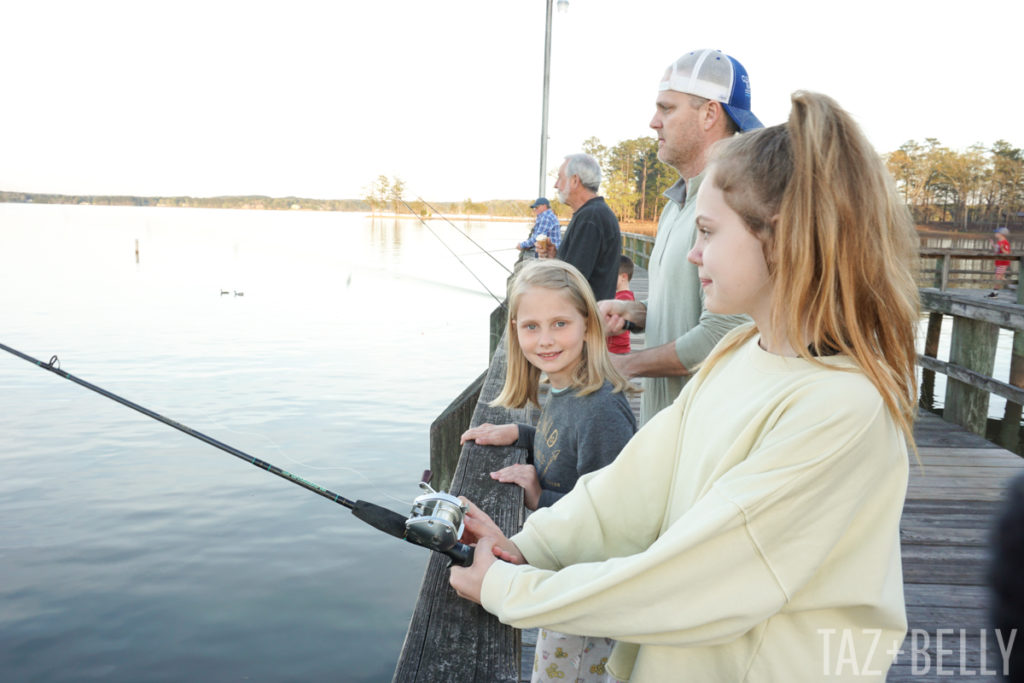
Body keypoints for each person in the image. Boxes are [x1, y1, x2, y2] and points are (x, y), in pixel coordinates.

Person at [450, 91, 919, 681]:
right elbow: (637, 482)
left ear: (782, 237)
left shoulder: (840, 406)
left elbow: (702, 576)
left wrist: (513, 589)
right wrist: (531, 545)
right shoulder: (739, 349)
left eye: (708, 231)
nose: (693, 253)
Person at [460, 258, 637, 682]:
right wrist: (520, 433)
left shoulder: (600, 411)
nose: (545, 340)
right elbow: (560, 442)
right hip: (561, 572)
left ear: (588, 326)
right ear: (515, 329)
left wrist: (540, 497)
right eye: (531, 326)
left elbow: (613, 519)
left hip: (588, 597)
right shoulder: (565, 388)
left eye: (560, 323)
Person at [598, 49, 761, 425]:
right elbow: (695, 307)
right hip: (664, 430)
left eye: (667, 108)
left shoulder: (738, 202)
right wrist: (638, 313)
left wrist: (624, 364)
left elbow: (725, 332)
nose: (653, 122)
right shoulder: (676, 202)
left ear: (709, 114)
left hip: (707, 437)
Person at [554, 154, 622, 301]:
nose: (556, 185)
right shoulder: (593, 213)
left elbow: (571, 281)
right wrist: (553, 256)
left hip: (587, 317)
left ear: (575, 180)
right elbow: (575, 268)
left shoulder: (591, 217)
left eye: (560, 178)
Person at [606, 255, 635, 355]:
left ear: (623, 277)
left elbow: (619, 326)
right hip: (613, 348)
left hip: (617, 350)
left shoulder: (624, 299)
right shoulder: (619, 295)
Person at [989, 226, 1011, 297]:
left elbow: (1007, 253)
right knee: (999, 277)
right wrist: (993, 245)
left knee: (998, 277)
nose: (995, 234)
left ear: (1001, 234)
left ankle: (995, 293)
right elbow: (997, 250)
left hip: (1003, 263)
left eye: (996, 233)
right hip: (998, 262)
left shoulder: (1005, 242)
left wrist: (1002, 248)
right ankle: (1010, 284)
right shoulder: (999, 242)